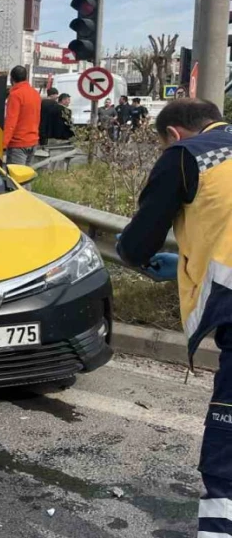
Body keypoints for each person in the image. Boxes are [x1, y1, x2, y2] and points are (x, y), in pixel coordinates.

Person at [115, 99, 232, 537]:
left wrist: (142, 254)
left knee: (228, 434)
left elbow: (134, 245)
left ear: (175, 134)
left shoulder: (188, 155)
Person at [2, 65, 40, 165]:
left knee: (16, 178)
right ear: (26, 77)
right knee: (26, 177)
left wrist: (3, 144)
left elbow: (11, 121)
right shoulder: (35, 93)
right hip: (32, 141)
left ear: (12, 78)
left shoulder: (15, 95)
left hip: (18, 143)